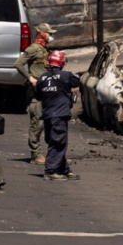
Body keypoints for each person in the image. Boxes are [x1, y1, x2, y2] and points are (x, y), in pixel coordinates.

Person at [36, 50, 80, 181]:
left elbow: (38, 95)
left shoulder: (42, 78)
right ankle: (50, 170)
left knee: (54, 141)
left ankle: (63, 169)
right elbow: (77, 81)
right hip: (59, 115)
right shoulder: (66, 76)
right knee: (58, 142)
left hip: (48, 115)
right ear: (62, 62)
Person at [15, 23, 56, 164]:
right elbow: (18, 64)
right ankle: (36, 155)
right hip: (36, 93)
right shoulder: (33, 49)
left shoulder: (44, 49)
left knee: (49, 123)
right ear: (43, 34)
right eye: (49, 33)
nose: (51, 36)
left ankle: (54, 155)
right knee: (37, 123)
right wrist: (30, 77)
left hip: (47, 92)